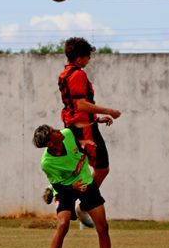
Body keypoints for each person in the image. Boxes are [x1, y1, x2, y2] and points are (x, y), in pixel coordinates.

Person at [44, 37, 122, 228]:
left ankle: (57, 190)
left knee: (80, 163)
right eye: (87, 56)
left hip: (74, 126)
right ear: (79, 58)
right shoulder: (78, 74)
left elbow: (73, 107)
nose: (89, 59)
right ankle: (84, 204)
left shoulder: (65, 74)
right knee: (102, 168)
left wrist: (96, 118)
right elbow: (80, 104)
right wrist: (108, 111)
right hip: (84, 129)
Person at [33, 124, 123, 248]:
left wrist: (97, 121)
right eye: (53, 132)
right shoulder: (47, 163)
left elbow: (83, 126)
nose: (57, 130)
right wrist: (72, 188)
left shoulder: (67, 134)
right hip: (65, 189)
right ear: (50, 143)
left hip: (86, 183)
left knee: (103, 227)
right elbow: (58, 186)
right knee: (63, 224)